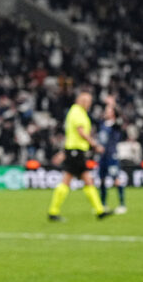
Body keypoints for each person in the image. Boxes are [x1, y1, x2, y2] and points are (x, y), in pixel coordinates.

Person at [47, 90, 112, 221]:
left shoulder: (78, 112)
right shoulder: (77, 112)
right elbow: (81, 132)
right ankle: (53, 211)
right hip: (75, 151)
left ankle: (99, 210)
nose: (89, 104)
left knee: (86, 180)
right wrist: (95, 145)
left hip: (76, 152)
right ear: (81, 101)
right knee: (69, 180)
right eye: (87, 101)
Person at [97, 96, 127, 214]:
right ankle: (103, 204)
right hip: (102, 156)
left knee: (116, 180)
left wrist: (112, 104)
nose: (106, 112)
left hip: (112, 156)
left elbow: (120, 118)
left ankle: (122, 204)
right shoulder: (103, 124)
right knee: (102, 180)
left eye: (109, 111)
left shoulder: (116, 124)